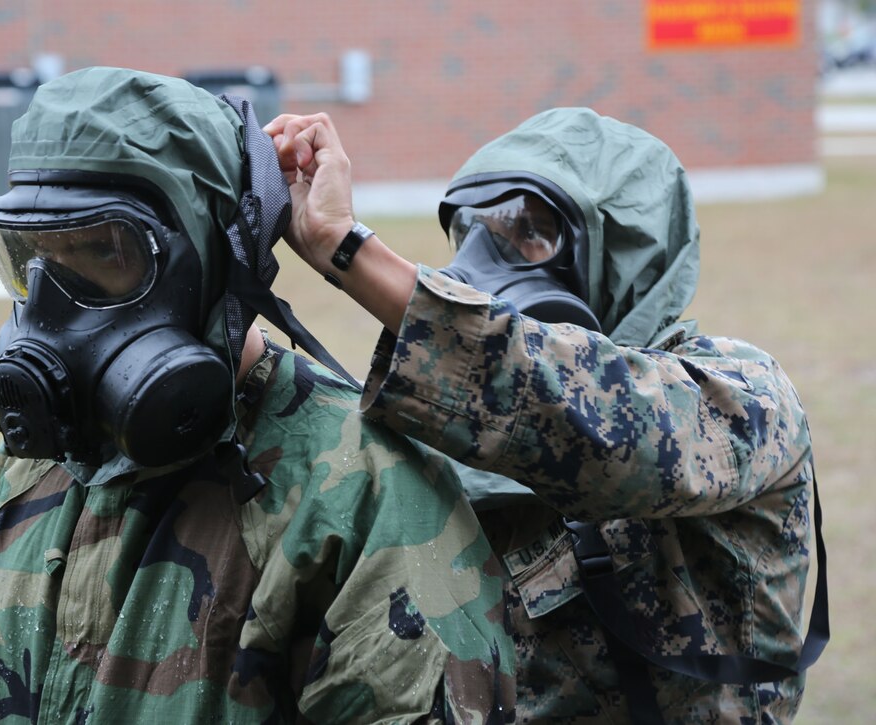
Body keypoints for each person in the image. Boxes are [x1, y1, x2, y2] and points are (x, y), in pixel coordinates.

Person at [0, 67, 518, 724]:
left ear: (218, 256)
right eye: (35, 257)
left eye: (102, 252)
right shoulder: (33, 461)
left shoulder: (363, 496)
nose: (53, 310)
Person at [263, 108, 826, 722]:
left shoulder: (742, 398)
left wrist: (347, 248)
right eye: (470, 233)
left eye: (528, 233)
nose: (482, 268)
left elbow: (593, 420)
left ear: (627, 251)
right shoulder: (460, 415)